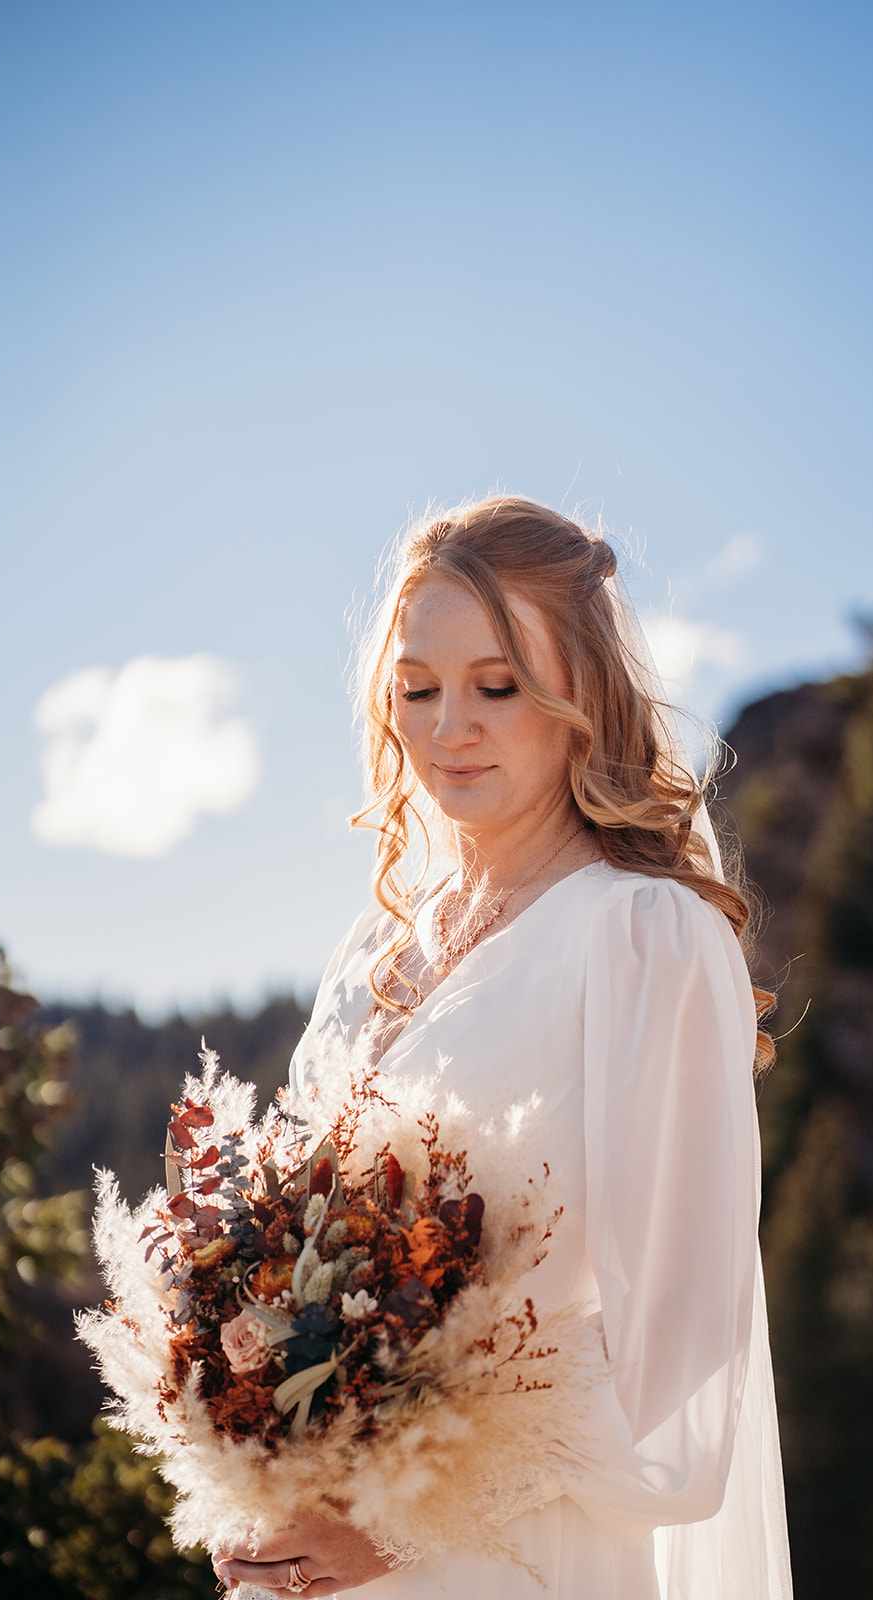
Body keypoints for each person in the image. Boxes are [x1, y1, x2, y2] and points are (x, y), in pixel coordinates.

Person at [214, 497, 791, 1599]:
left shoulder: (645, 936)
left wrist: (396, 1528)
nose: (448, 729)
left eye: (497, 685)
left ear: (584, 693)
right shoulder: (378, 948)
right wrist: (248, 1455)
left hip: (510, 1561)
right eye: (417, 690)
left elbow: (671, 1368)